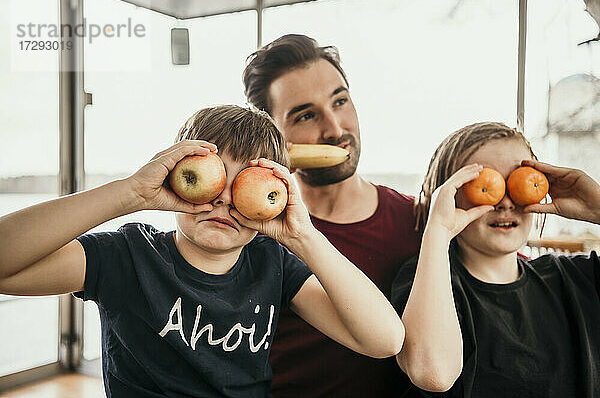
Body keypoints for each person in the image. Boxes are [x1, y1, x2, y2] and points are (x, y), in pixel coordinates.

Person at [0, 105, 405, 398]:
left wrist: (303, 236)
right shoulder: (130, 255)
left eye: (245, 182)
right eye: (214, 178)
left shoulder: (272, 264)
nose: (225, 199)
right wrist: (130, 194)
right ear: (176, 176)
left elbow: (384, 340)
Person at [243, 34, 421, 397]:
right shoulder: (251, 233)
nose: (336, 129)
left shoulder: (419, 223)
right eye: (306, 115)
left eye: (340, 101)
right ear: (274, 136)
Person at [392, 121, 600, 397]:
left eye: (519, 181)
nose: (505, 202)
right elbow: (433, 373)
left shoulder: (573, 277)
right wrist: (438, 232)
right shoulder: (428, 283)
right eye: (486, 184)